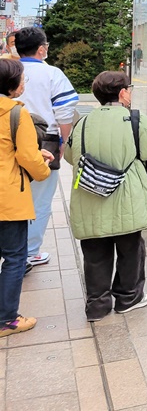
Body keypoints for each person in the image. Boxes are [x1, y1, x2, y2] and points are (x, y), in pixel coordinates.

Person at [66, 71, 147, 321]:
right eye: (129, 89)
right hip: (126, 194)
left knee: (95, 251)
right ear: (122, 93)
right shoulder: (134, 119)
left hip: (89, 192)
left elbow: (70, 157)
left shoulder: (83, 123)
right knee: (130, 248)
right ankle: (128, 298)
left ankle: (97, 306)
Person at [16, 27, 78, 268]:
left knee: (12, 193)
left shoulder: (9, 71)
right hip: (44, 141)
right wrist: (62, 143)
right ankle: (30, 251)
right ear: (41, 49)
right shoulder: (52, 74)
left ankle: (12, 249)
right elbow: (64, 112)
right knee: (40, 199)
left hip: (7, 139)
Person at [0, 59, 54, 336]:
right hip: (7, 198)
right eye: (22, 80)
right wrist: (43, 166)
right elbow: (26, 158)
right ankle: (7, 319)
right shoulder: (16, 114)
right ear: (11, 85)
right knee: (14, 258)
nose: (24, 84)